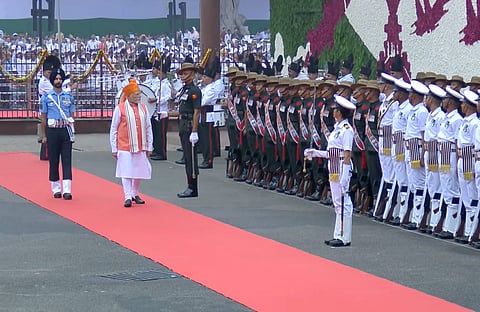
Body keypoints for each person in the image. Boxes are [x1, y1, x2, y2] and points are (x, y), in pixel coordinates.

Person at [304, 95, 356, 247]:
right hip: (333, 166)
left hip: (341, 167)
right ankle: (338, 234)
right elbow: (331, 152)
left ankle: (344, 236)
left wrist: (345, 175)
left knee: (344, 202)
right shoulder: (337, 129)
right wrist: (315, 153)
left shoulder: (347, 130)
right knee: (337, 202)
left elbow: (347, 154)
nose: (333, 111)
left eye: (335, 109)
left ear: (340, 112)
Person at [109, 79, 153, 207]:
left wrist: (150, 146)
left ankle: (134, 193)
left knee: (139, 170)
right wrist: (114, 147)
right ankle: (127, 196)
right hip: (124, 145)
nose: (139, 96)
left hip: (140, 145)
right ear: (128, 96)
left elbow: (148, 128)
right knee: (127, 171)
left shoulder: (144, 108)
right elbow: (113, 128)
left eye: (139, 94)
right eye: (136, 94)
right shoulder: (120, 109)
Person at [40, 67, 75, 200]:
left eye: (60, 78)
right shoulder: (46, 97)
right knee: (53, 160)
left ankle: (67, 189)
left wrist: (73, 131)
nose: (58, 81)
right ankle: (56, 188)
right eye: (56, 78)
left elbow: (72, 115)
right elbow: (43, 117)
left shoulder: (68, 97)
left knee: (67, 159)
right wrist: (44, 135)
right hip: (52, 130)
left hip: (65, 130)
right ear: (52, 80)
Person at [176, 62, 202, 198]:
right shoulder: (185, 90)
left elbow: (197, 111)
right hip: (183, 124)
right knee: (187, 157)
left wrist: (194, 131)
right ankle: (189, 185)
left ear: (192, 75)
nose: (182, 76)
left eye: (185, 73)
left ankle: (193, 187)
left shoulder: (194, 91)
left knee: (191, 158)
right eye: (182, 73)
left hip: (190, 124)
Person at [150, 55, 172, 161]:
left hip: (162, 111)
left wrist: (156, 100)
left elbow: (167, 97)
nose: (158, 74)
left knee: (161, 134)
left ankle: (162, 153)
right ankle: (156, 150)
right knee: (156, 133)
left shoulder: (166, 84)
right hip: (155, 111)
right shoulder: (157, 83)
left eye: (160, 73)